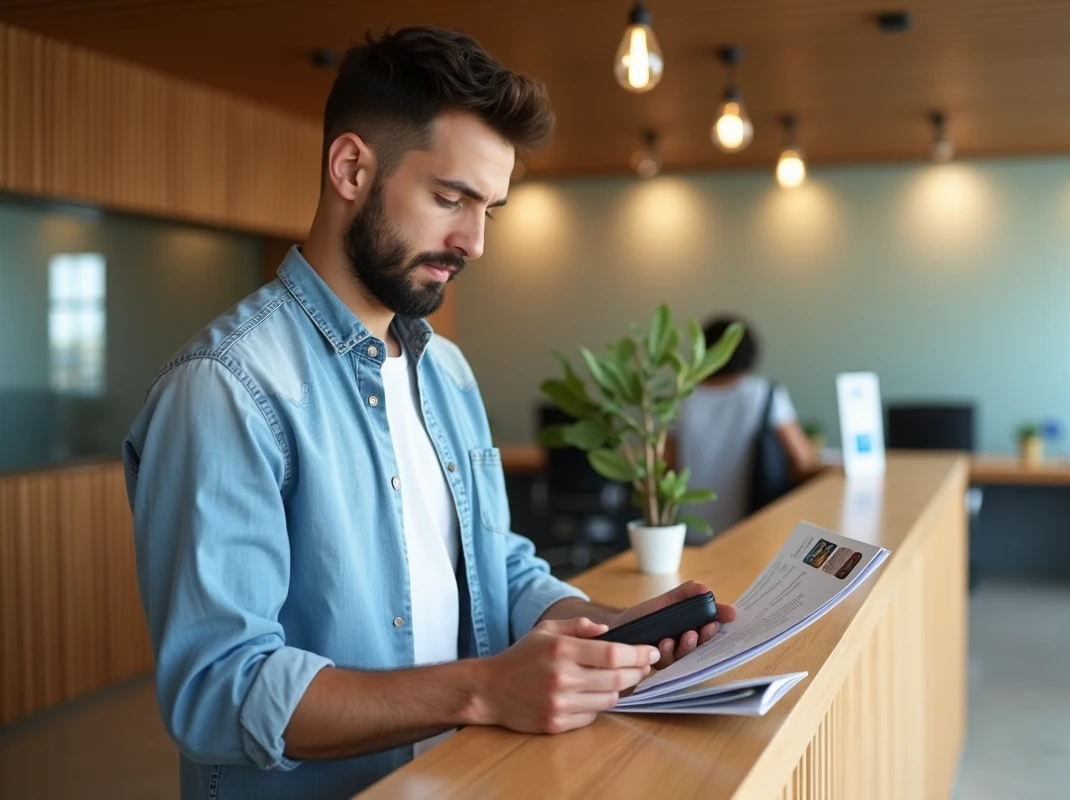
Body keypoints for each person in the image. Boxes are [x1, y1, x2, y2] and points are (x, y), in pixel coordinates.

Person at [122, 27, 734, 800]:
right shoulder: (225, 389)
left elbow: (497, 568)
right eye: (450, 198)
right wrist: (480, 689)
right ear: (351, 168)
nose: (475, 241)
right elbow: (219, 689)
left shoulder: (444, 370)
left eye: (491, 209)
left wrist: (606, 629)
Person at [672, 316, 815, 541]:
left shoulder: (680, 398)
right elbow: (803, 459)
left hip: (689, 530)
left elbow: (665, 467)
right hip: (752, 528)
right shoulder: (764, 394)